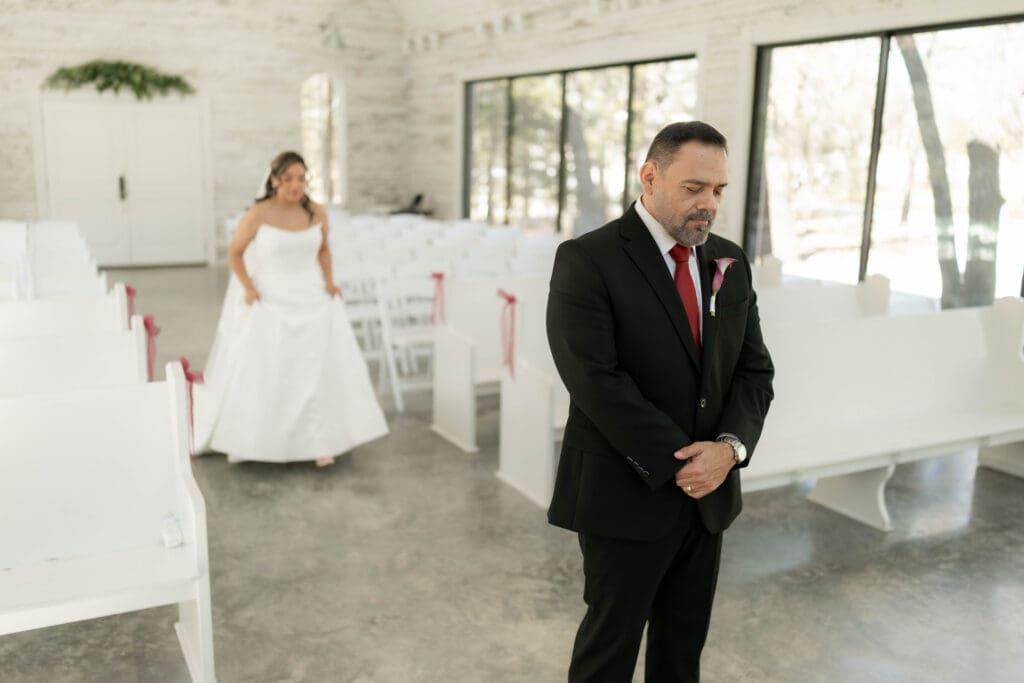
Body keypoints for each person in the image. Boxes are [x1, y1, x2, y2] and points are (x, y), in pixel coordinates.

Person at [546, 121, 774, 682]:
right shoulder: (588, 259)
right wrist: (685, 460)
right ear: (650, 176)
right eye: (694, 188)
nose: (708, 204)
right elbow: (596, 380)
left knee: (682, 648)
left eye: (718, 191)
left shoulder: (729, 261)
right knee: (609, 650)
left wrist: (728, 449)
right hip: (625, 489)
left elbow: (753, 369)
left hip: (709, 495)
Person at [194, 151, 388, 466]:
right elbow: (235, 252)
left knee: (315, 367)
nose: (296, 185)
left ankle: (319, 440)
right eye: (289, 179)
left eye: (301, 178)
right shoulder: (259, 213)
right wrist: (249, 287)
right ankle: (262, 439)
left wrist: (329, 282)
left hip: (311, 295)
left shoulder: (316, 212)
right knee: (273, 367)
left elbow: (323, 250)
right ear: (274, 181)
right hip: (271, 297)